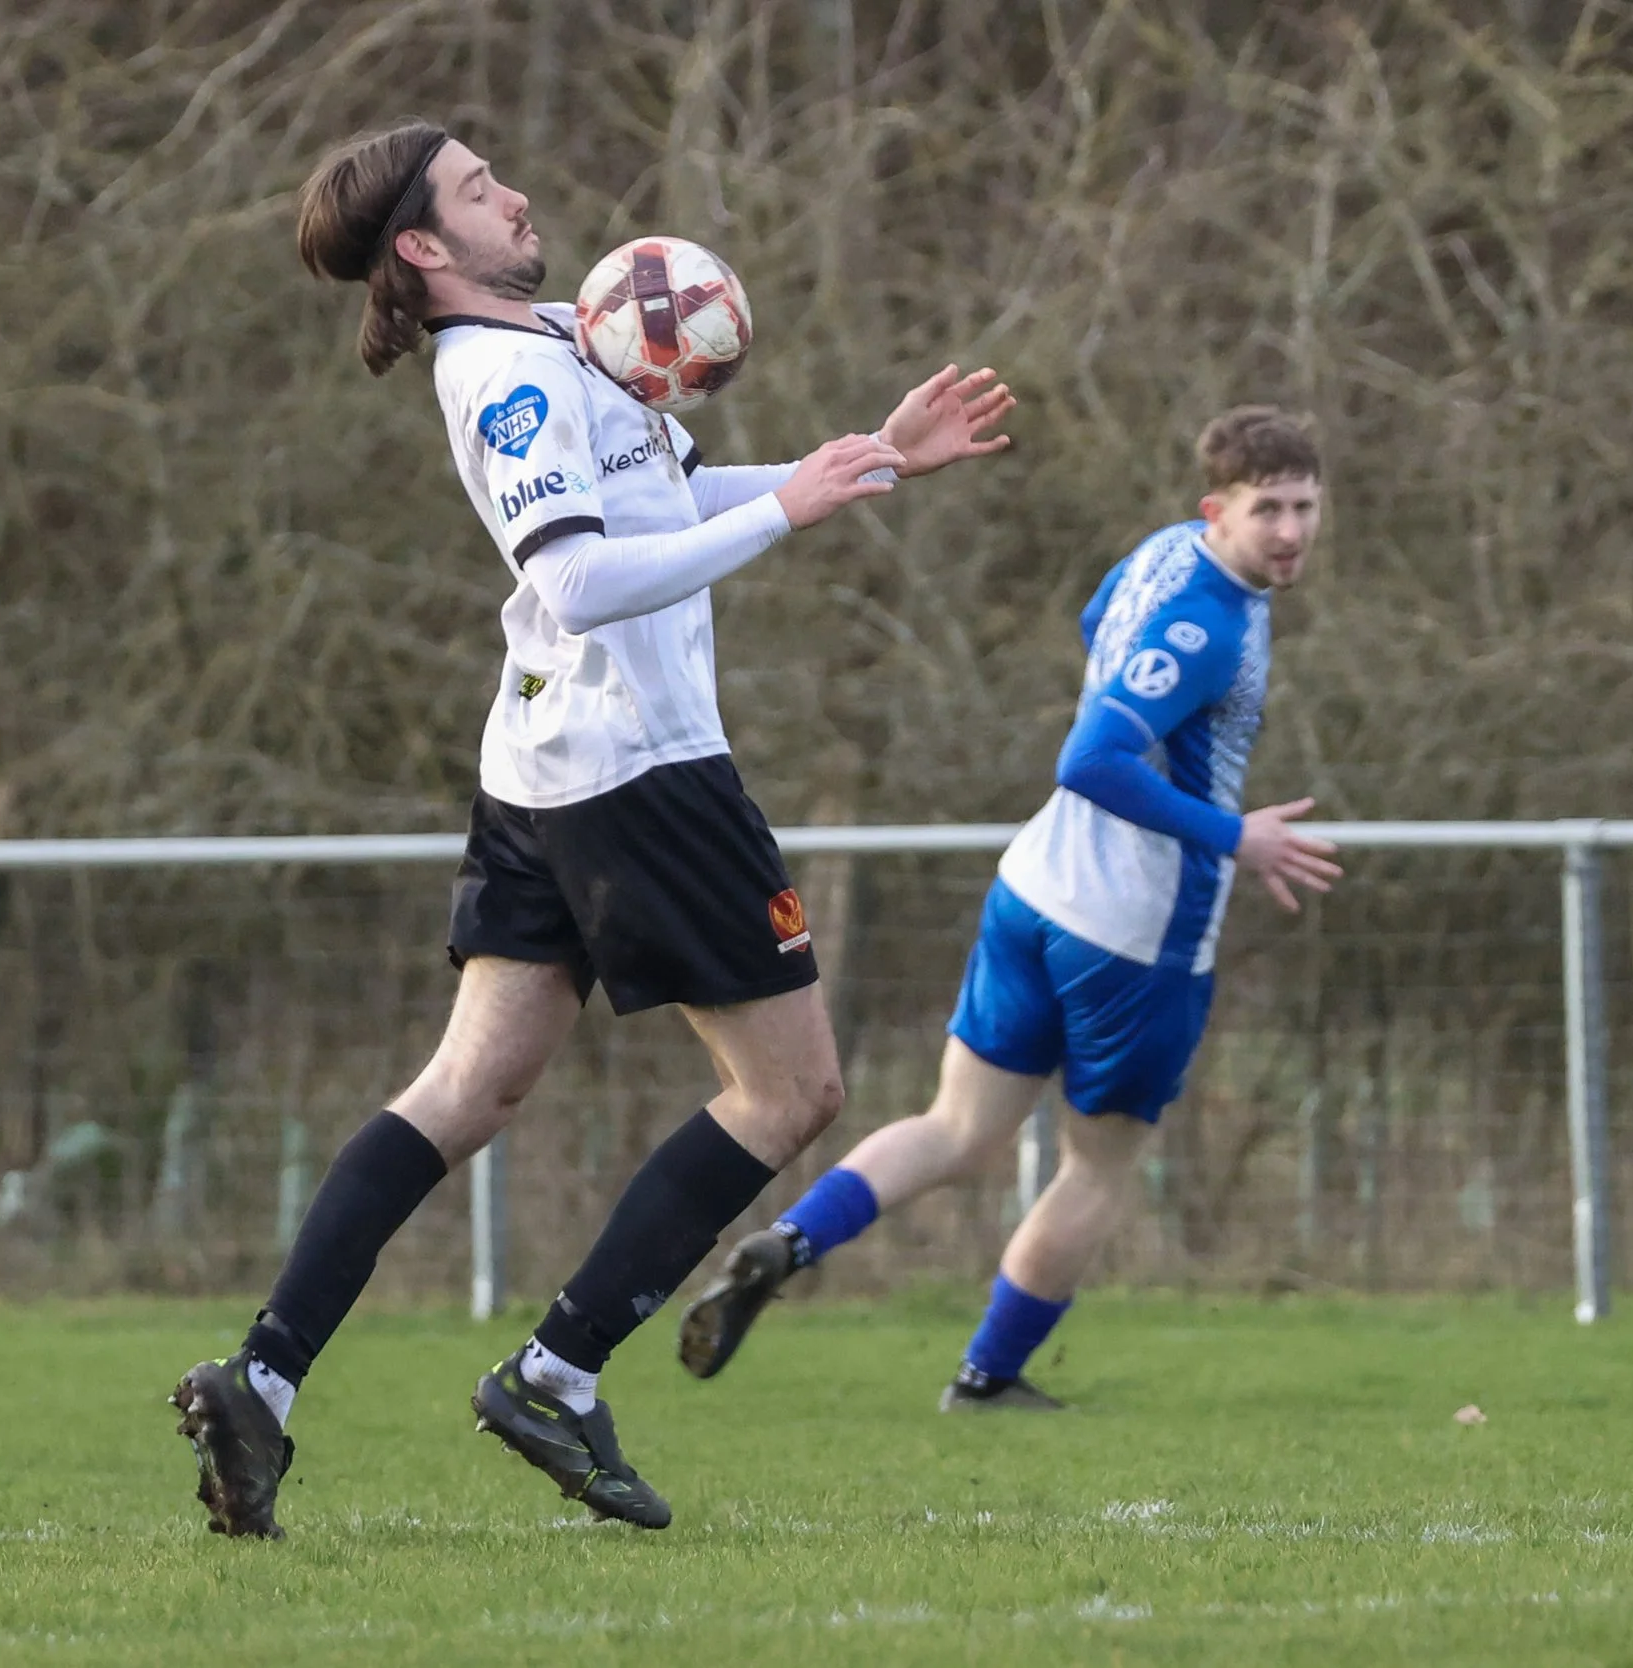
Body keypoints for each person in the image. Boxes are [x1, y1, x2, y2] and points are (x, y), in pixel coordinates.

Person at [168, 118, 1014, 1539]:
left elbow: (663, 501)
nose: (515, 195)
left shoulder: (568, 328)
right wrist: (790, 511)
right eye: (478, 189)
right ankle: (556, 1373)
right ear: (425, 247)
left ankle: (263, 1378)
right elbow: (576, 580)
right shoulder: (501, 377)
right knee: (792, 1092)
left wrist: (866, 462)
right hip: (641, 772)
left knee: (470, 1088)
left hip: (545, 765)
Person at [677, 406, 1339, 1408]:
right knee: (1098, 1168)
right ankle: (988, 1377)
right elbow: (1090, 759)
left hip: (1033, 889)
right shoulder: (1209, 626)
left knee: (957, 1129)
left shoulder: (1166, 552)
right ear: (1220, 509)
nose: (1289, 531)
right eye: (1268, 510)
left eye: (1303, 507)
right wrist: (1233, 835)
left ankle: (789, 1241)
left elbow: (1097, 626)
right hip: (1137, 934)